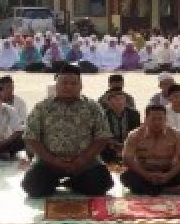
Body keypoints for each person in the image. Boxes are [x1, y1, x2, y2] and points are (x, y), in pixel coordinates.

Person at [21, 65, 114, 198]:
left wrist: (82, 160)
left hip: (85, 162)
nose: (69, 87)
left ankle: (71, 183)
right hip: (49, 162)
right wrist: (52, 160)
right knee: (32, 186)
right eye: (64, 83)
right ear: (57, 85)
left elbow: (102, 137)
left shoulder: (93, 107)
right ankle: (55, 180)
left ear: (80, 86)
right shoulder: (42, 107)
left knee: (102, 184)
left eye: (73, 83)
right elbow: (31, 137)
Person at [119, 104, 180, 195]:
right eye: (153, 119)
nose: (157, 122)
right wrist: (146, 175)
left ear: (165, 119)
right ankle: (166, 190)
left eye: (160, 119)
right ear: (146, 119)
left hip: (168, 172)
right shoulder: (134, 135)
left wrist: (168, 175)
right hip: (144, 172)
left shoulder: (176, 135)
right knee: (127, 177)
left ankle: (152, 190)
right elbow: (127, 159)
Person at [101, 87, 142, 163]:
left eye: (122, 99)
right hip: (111, 145)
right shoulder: (103, 115)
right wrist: (115, 144)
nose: (120, 102)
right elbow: (103, 134)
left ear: (125, 101)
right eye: (116, 99)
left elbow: (137, 132)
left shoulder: (134, 114)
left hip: (129, 143)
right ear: (109, 102)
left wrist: (126, 144)